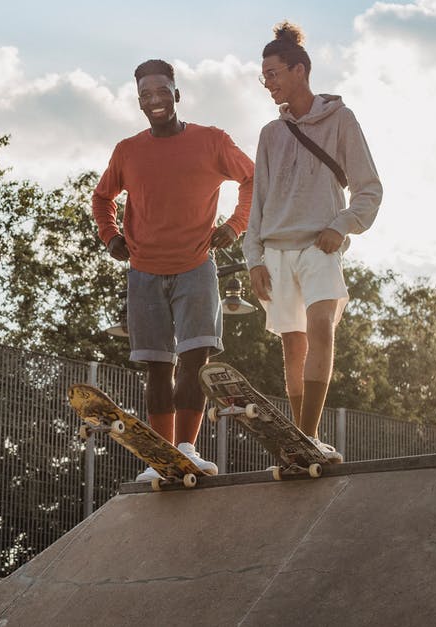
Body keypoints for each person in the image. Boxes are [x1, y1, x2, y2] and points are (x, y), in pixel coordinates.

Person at [92, 59, 254, 481]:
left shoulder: (212, 141)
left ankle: (186, 449)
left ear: (177, 94)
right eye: (146, 95)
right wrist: (110, 236)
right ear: (139, 102)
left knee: (195, 358)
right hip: (144, 272)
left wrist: (235, 225)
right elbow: (102, 198)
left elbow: (253, 178)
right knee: (157, 366)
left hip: (196, 267)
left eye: (162, 91)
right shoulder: (127, 150)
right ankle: (161, 458)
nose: (155, 100)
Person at [243, 22, 383, 461]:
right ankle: (301, 444)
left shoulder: (341, 119)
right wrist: (253, 259)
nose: (268, 83)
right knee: (293, 347)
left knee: (321, 327)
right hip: (275, 251)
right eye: (264, 76)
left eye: (273, 73)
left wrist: (341, 225)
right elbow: (258, 202)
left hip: (320, 247)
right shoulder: (270, 134)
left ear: (299, 70)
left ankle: (306, 439)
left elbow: (369, 189)